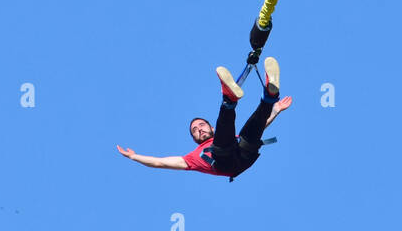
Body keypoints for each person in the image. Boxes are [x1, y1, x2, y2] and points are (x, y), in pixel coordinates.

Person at [117, 57, 291, 181]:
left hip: (245, 153)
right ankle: (228, 100)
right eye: (195, 130)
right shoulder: (191, 158)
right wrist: (134, 157)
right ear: (194, 140)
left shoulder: (225, 136)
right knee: (223, 144)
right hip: (225, 162)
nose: (199, 129)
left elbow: (259, 126)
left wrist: (275, 110)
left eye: (201, 125)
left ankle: (269, 96)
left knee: (248, 134)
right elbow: (159, 163)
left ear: (211, 129)